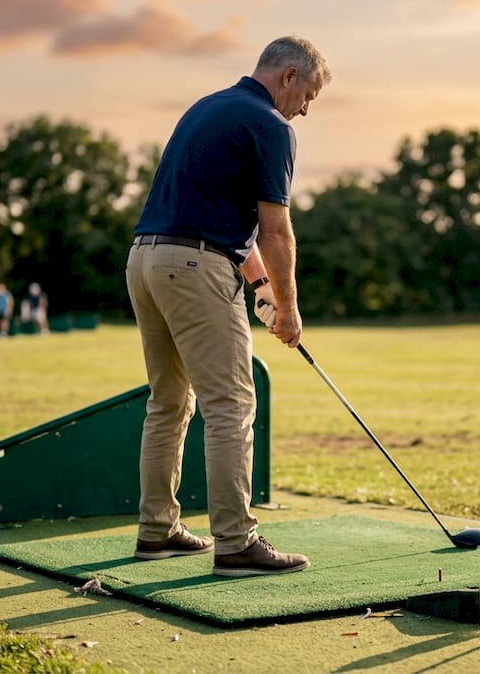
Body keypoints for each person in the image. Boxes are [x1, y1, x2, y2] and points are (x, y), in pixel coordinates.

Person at [125, 36, 329, 576]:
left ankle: (157, 531)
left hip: (146, 260)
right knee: (232, 405)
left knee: (168, 402)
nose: (305, 108)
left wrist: (261, 286)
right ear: (288, 76)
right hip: (194, 267)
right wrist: (288, 308)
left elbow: (217, 214)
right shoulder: (271, 126)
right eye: (308, 94)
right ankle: (236, 544)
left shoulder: (208, 107)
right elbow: (275, 227)